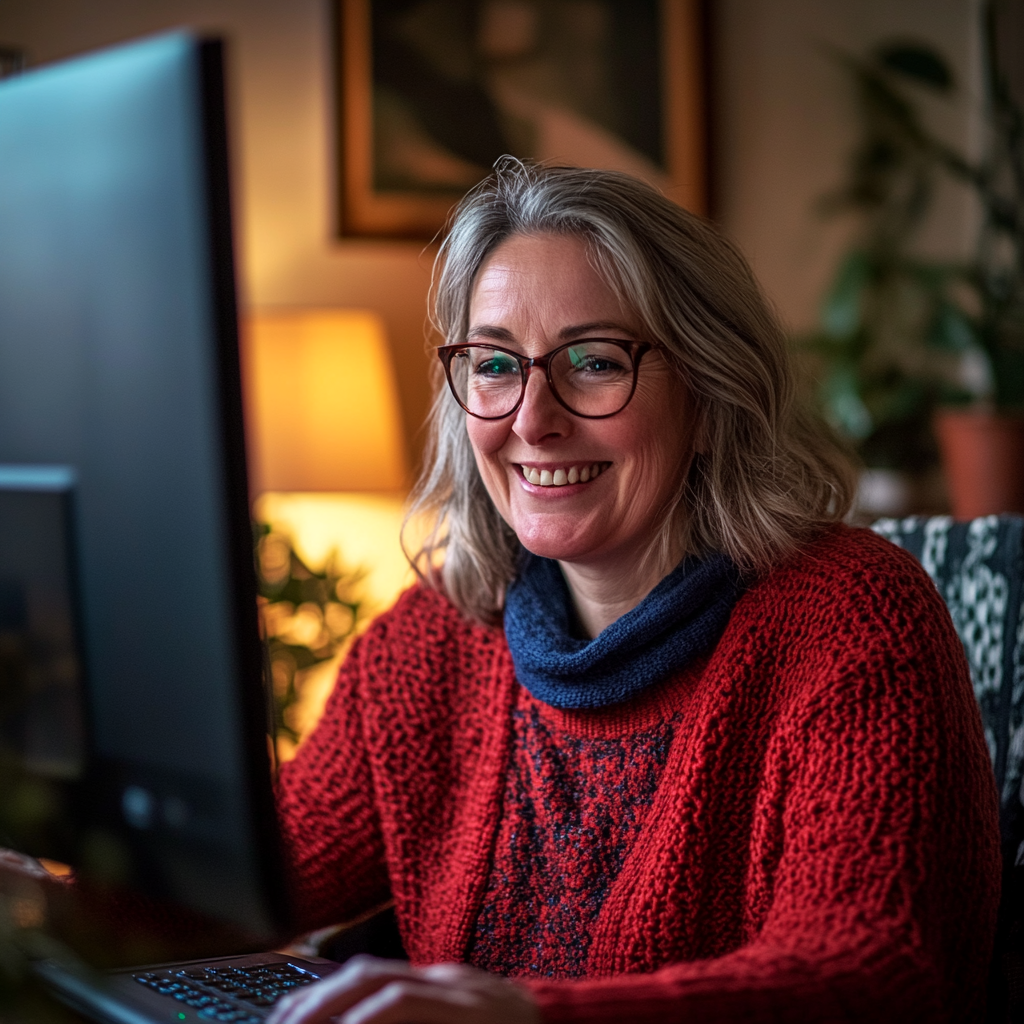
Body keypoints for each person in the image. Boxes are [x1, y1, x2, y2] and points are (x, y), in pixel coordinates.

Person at [270, 160, 1000, 1024]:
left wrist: (528, 1018)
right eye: (497, 363)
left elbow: (870, 974)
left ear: (708, 389)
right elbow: (251, 878)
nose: (533, 419)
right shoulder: (431, 641)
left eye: (594, 361)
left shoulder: (851, 623)